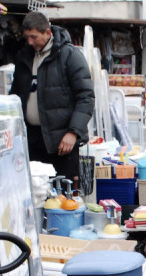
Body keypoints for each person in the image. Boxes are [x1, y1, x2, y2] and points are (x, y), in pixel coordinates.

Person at [9, 11, 94, 184]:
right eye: (27, 37)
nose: (30, 42)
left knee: (62, 196)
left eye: (34, 37)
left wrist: (73, 132)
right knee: (36, 191)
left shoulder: (70, 56)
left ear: (48, 33)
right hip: (32, 139)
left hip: (62, 142)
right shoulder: (24, 56)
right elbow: (16, 94)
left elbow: (86, 97)